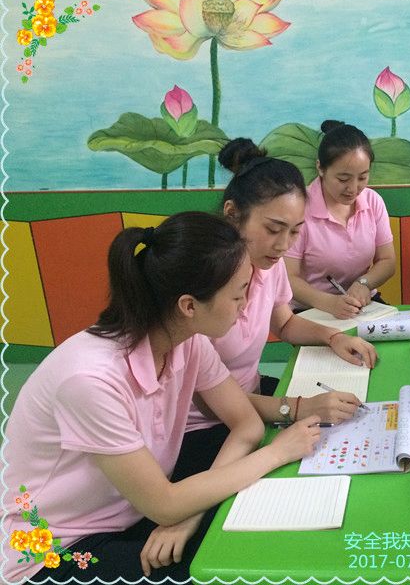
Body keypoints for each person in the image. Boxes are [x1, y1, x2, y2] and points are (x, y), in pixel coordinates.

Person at [3, 213, 322, 583]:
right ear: (189, 305)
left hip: (135, 509)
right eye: (238, 295)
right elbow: (164, 504)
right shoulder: (89, 381)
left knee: (249, 518)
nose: (246, 304)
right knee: (221, 571)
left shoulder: (188, 341)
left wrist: (188, 516)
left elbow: (246, 424)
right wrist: (278, 452)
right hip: (53, 548)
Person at [177, 139, 379, 476]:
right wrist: (296, 408)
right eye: (273, 229)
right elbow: (211, 404)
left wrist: (333, 337)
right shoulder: (202, 287)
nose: (284, 245)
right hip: (202, 427)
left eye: (296, 232)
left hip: (251, 403)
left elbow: (284, 323)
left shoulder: (267, 266)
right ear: (232, 215)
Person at [285, 120, 396, 319]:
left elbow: (387, 261)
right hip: (312, 309)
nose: (353, 189)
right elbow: (288, 277)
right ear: (320, 168)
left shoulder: (373, 201)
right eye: (343, 179)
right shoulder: (299, 208)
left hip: (363, 305)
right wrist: (329, 303)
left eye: (362, 178)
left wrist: (364, 283)